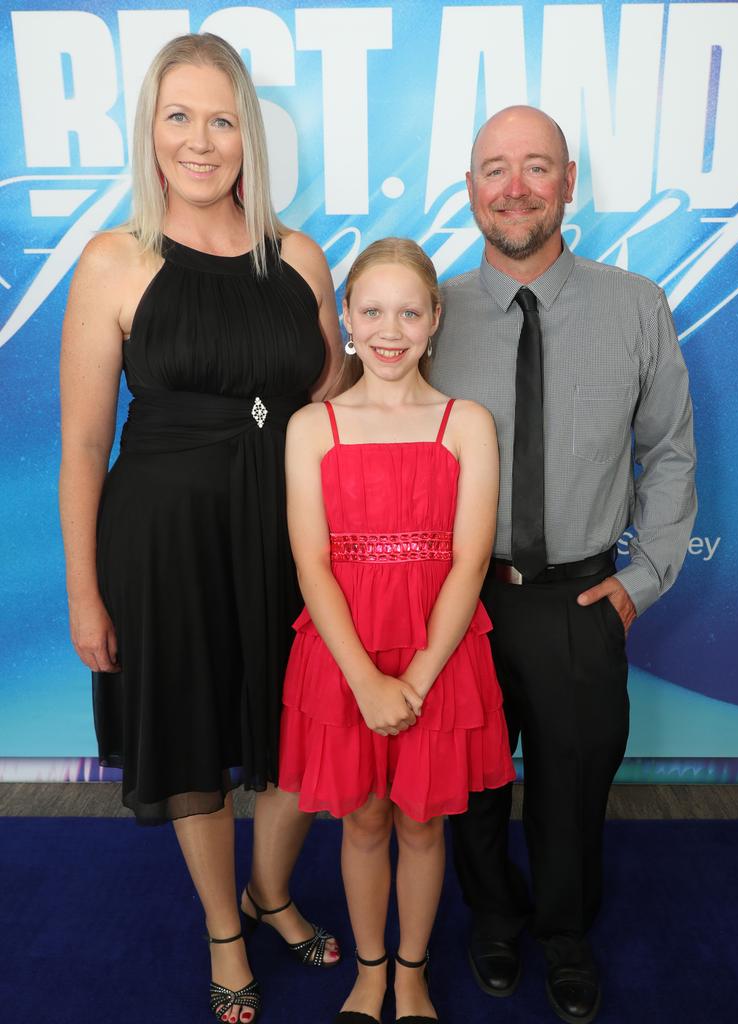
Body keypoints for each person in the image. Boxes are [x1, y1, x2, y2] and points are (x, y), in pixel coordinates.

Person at [59, 33, 344, 1023]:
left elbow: (331, 396)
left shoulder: (301, 257)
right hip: (163, 544)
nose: (200, 138)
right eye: (177, 115)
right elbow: (85, 444)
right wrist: (85, 592)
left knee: (301, 730)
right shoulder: (113, 261)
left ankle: (271, 889)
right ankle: (227, 924)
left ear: (248, 135)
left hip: (287, 533)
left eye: (220, 118)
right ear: (149, 131)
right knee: (190, 732)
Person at [430, 106, 697, 1024]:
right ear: (469, 190)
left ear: (569, 183)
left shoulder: (636, 306)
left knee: (574, 779)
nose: (515, 188)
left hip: (581, 594)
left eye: (536, 167)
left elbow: (668, 450)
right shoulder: (427, 312)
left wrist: (646, 576)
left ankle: (566, 929)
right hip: (458, 600)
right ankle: (492, 915)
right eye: (495, 169)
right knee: (467, 782)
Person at [277, 237, 515, 1023]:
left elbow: (470, 559)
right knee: (364, 818)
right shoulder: (314, 427)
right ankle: (370, 971)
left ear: (435, 320)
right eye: (372, 311)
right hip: (345, 657)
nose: (390, 329)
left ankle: (411, 974)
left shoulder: (464, 423)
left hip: (435, 658)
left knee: (421, 819)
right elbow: (313, 566)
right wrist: (367, 681)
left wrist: (411, 681)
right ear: (345, 319)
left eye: (409, 311)